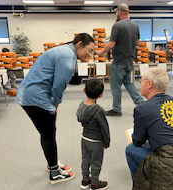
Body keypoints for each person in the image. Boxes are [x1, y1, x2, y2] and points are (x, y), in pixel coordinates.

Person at [16, 33, 95, 184]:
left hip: (30, 94)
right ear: (79, 45)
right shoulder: (67, 57)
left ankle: (51, 162)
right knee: (49, 133)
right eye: (89, 50)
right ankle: (54, 172)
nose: (89, 54)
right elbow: (58, 86)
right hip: (36, 97)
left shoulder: (65, 51)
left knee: (46, 132)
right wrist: (54, 107)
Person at [97, 3, 143, 116]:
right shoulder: (135, 25)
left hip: (119, 62)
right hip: (129, 61)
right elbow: (139, 43)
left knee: (115, 86)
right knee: (128, 83)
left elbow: (111, 45)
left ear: (119, 12)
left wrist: (101, 52)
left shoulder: (117, 25)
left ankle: (116, 109)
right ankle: (141, 103)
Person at [76, 79, 110, 190]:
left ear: (84, 90)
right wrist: (106, 142)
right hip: (96, 141)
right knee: (96, 162)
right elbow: (104, 128)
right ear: (101, 95)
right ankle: (95, 183)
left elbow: (79, 117)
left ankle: (85, 180)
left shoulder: (81, 105)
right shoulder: (98, 110)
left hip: (84, 138)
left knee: (85, 160)